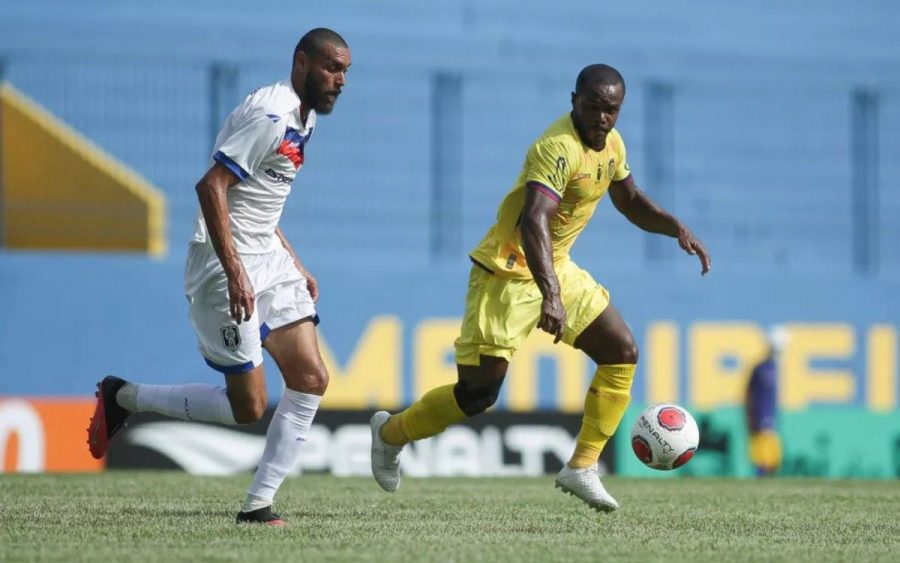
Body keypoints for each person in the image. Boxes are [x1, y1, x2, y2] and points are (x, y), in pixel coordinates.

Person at [370, 64, 710, 513]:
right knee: (477, 396)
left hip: (557, 266)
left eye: (612, 110)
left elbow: (628, 200)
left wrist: (675, 227)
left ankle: (582, 466)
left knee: (621, 351)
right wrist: (550, 294)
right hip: (508, 273)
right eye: (593, 107)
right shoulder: (556, 148)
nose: (602, 118)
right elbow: (534, 220)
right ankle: (389, 434)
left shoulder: (612, 144)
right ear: (574, 101)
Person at [86, 28, 351, 525]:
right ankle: (123, 396)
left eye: (345, 72)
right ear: (301, 63)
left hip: (267, 258)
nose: (340, 80)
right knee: (248, 407)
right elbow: (211, 186)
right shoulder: (270, 115)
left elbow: (260, 205)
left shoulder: (305, 116)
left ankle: (257, 507)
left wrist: (294, 261)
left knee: (311, 378)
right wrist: (235, 273)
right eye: (332, 68)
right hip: (220, 263)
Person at [745, 326, 788, 476]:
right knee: (762, 448)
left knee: (773, 450)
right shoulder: (760, 368)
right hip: (759, 414)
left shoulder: (775, 367)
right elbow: (748, 393)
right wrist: (750, 414)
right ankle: (761, 474)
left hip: (771, 414)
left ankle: (769, 474)